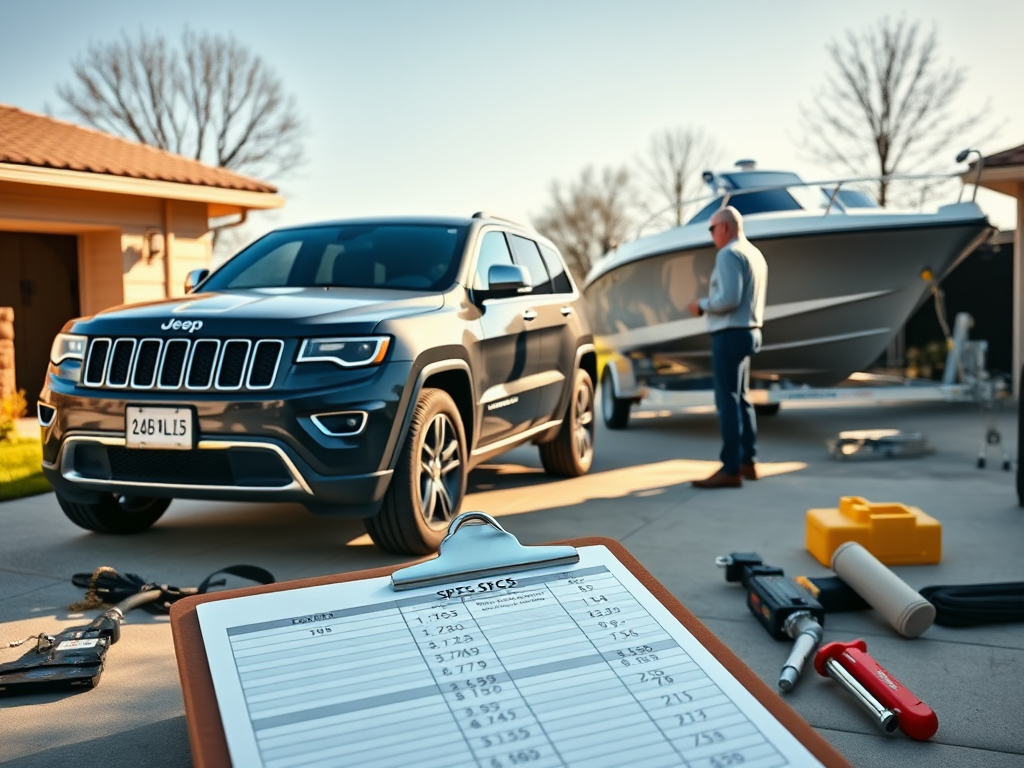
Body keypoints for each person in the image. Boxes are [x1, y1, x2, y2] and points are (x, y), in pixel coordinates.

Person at [686, 206, 768, 489]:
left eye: (711, 229)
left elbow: (728, 299)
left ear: (724, 227)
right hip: (751, 332)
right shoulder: (755, 254)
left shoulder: (728, 253)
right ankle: (749, 462)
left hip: (730, 334)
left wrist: (701, 305)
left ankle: (730, 468)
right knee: (742, 400)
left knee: (727, 401)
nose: (711, 236)